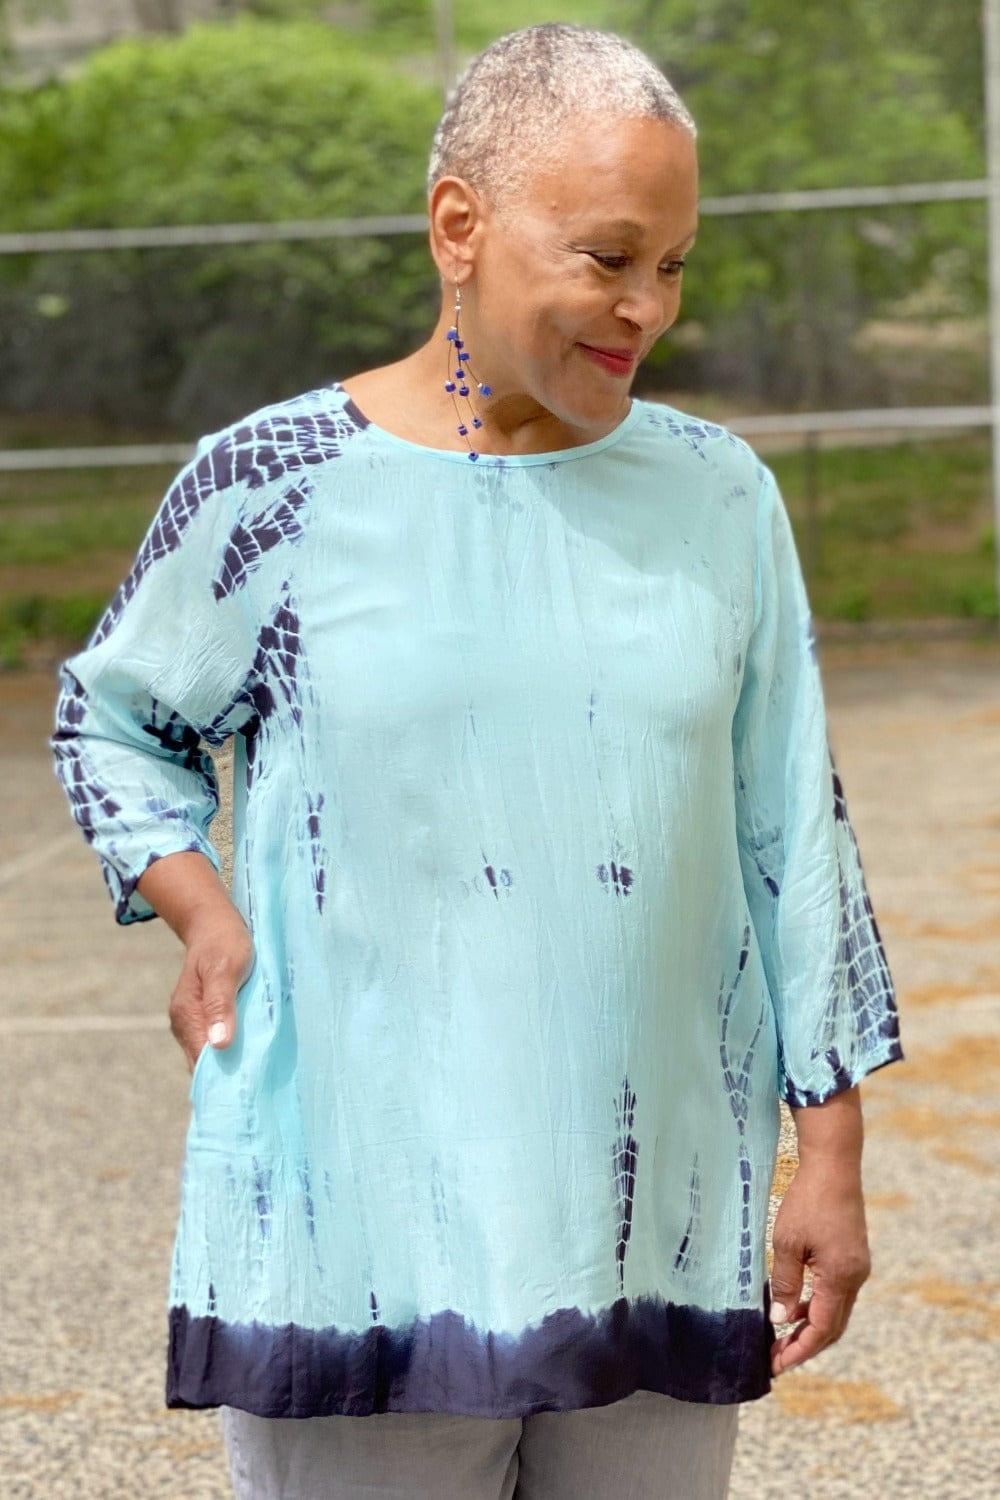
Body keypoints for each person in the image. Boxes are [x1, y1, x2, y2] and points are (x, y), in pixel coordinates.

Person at [48, 21, 905, 1500]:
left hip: (654, 1231)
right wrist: (202, 910)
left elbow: (794, 833)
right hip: (356, 1243)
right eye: (609, 256)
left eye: (676, 266)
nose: (648, 307)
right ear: (460, 227)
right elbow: (111, 719)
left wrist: (828, 1155)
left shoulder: (718, 495)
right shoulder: (274, 484)